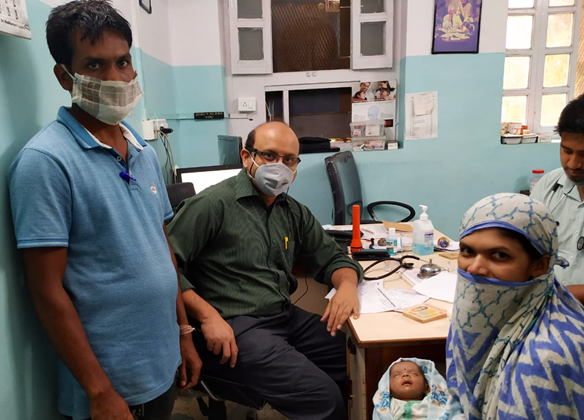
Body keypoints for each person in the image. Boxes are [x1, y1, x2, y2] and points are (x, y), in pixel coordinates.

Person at [8, 1, 201, 419]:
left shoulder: (142, 149)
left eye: (123, 62)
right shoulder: (45, 162)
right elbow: (45, 289)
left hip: (162, 362)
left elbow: (160, 245)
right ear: (65, 76)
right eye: (94, 65)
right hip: (112, 382)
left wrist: (183, 332)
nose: (115, 77)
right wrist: (99, 391)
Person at [167, 121, 363, 420]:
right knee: (323, 399)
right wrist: (207, 317)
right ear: (247, 157)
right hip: (235, 327)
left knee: (358, 357)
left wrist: (347, 286)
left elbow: (333, 258)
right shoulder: (211, 205)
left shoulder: (291, 210)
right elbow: (164, 270)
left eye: (289, 160)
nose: (279, 166)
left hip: (284, 317)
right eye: (269, 155)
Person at [446, 193, 584, 419]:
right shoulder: (469, 316)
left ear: (540, 265)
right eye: (467, 251)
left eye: (499, 255)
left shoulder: (546, 359)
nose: (474, 268)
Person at [531, 95, 584, 304]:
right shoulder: (551, 185)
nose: (574, 163)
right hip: (545, 310)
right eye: (566, 150)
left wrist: (552, 296)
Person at [373, 358, 463, 420]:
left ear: (427, 387)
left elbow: (454, 414)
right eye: (397, 375)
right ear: (388, 389)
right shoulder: (388, 406)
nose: (405, 375)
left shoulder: (432, 401)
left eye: (414, 374)